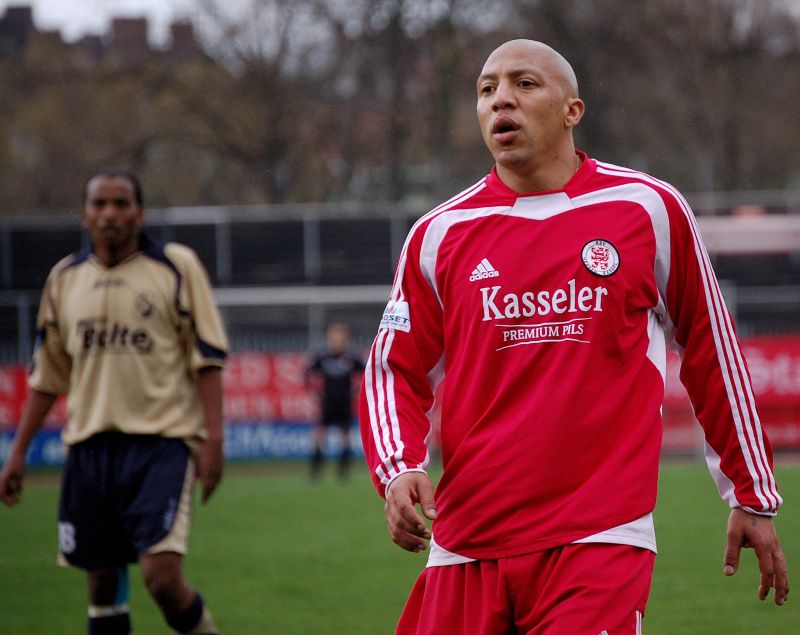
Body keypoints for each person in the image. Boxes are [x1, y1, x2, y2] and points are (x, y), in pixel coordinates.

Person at [358, 39, 789, 634]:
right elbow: (393, 369)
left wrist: (750, 491)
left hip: (598, 536)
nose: (501, 99)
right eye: (486, 89)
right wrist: (399, 466)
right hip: (466, 540)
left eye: (524, 84)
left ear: (572, 110)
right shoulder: (439, 233)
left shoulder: (646, 209)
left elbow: (712, 351)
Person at [0, 170, 228, 635]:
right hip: (89, 449)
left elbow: (207, 359)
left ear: (139, 214)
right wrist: (18, 452)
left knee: (162, 577)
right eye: (99, 204)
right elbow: (48, 377)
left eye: (121, 204)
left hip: (160, 444)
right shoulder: (64, 279)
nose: (110, 213)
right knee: (102, 582)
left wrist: (215, 441)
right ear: (84, 215)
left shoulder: (175, 267)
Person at [305, 322, 364, 481]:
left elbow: (367, 373)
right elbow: (307, 373)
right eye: (334, 336)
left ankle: (343, 471)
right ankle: (315, 470)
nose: (338, 339)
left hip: (345, 403)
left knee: (345, 437)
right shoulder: (323, 356)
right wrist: (315, 393)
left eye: (341, 336)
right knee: (319, 436)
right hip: (327, 403)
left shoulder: (351, 357)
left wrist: (357, 391)